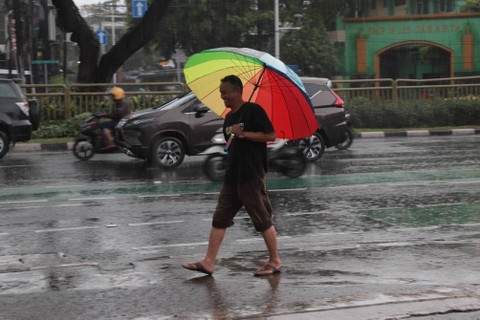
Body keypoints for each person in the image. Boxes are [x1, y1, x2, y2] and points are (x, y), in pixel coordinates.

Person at [182, 75, 282, 277]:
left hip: (251, 174)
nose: (223, 96)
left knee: (262, 219)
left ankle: (275, 261)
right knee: (220, 218)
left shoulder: (254, 111)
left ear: (238, 91)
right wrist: (235, 138)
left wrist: (246, 134)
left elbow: (271, 135)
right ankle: (209, 262)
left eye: (225, 92)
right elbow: (231, 144)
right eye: (221, 93)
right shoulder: (229, 117)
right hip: (232, 176)